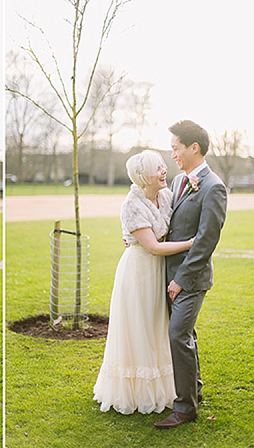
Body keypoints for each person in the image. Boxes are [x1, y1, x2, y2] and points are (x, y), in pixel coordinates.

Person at [93, 150, 194, 415]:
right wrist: (190, 245)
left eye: (163, 166)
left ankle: (163, 386)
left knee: (156, 326)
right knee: (138, 326)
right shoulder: (132, 204)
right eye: (158, 168)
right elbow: (152, 247)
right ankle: (136, 392)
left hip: (159, 271)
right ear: (142, 177)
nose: (164, 171)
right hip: (138, 271)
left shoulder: (165, 195)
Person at [154, 120, 227, 429]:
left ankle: (185, 408)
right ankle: (193, 390)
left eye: (176, 148)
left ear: (193, 148)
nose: (173, 155)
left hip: (191, 279)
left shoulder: (213, 187)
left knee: (178, 335)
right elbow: (170, 225)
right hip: (169, 273)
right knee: (186, 335)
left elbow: (206, 240)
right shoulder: (178, 182)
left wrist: (180, 280)